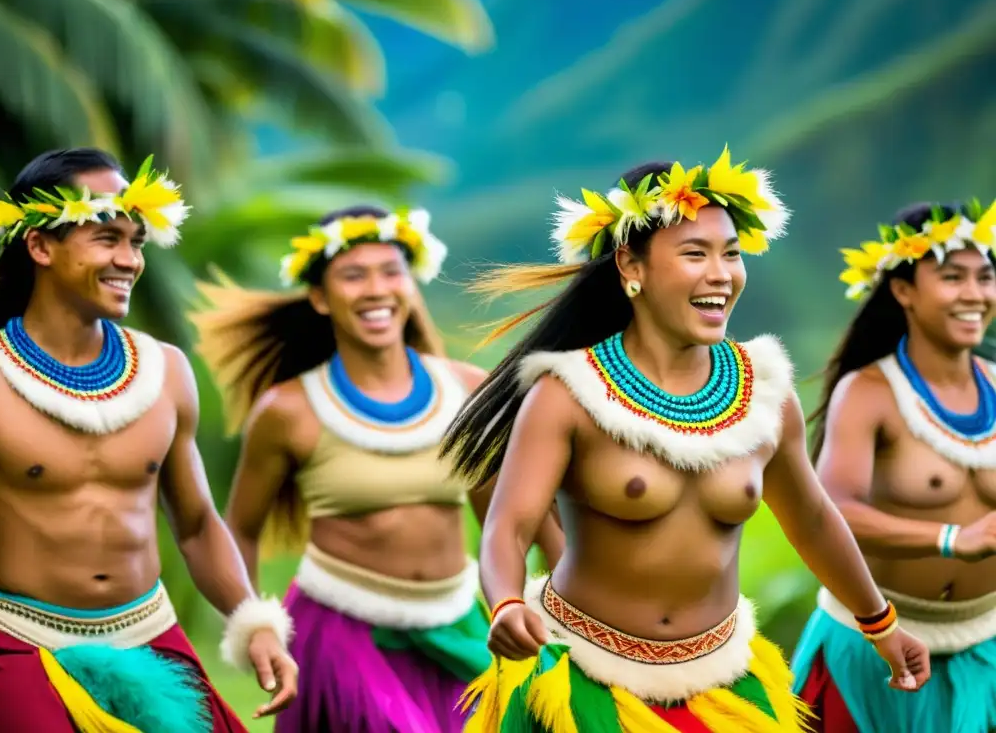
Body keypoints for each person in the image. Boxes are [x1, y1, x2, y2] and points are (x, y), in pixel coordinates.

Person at [440, 146, 932, 731]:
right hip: (582, 679)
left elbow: (813, 519)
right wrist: (507, 602)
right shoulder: (567, 393)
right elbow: (508, 524)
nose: (721, 274)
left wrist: (879, 622)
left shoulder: (765, 394)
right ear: (632, 266)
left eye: (732, 253)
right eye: (695, 254)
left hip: (723, 681)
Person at [187, 205, 565, 733]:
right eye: (352, 275)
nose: (376, 289)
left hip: (457, 625)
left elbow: (509, 520)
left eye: (391, 271)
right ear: (320, 297)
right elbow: (241, 531)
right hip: (342, 630)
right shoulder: (288, 411)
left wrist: (564, 610)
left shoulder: (465, 387)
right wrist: (257, 630)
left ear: (411, 285)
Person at [0, 148, 297, 733]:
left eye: (137, 241)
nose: (128, 260)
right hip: (19, 637)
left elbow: (196, 525)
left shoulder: (166, 371)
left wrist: (255, 622)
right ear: (41, 247)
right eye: (106, 238)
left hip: (150, 632)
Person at [790, 199, 996, 733]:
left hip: (986, 641)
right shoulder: (870, 393)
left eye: (985, 277)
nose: (974, 294)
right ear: (903, 290)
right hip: (876, 647)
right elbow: (831, 510)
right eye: (952, 277)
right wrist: (951, 539)